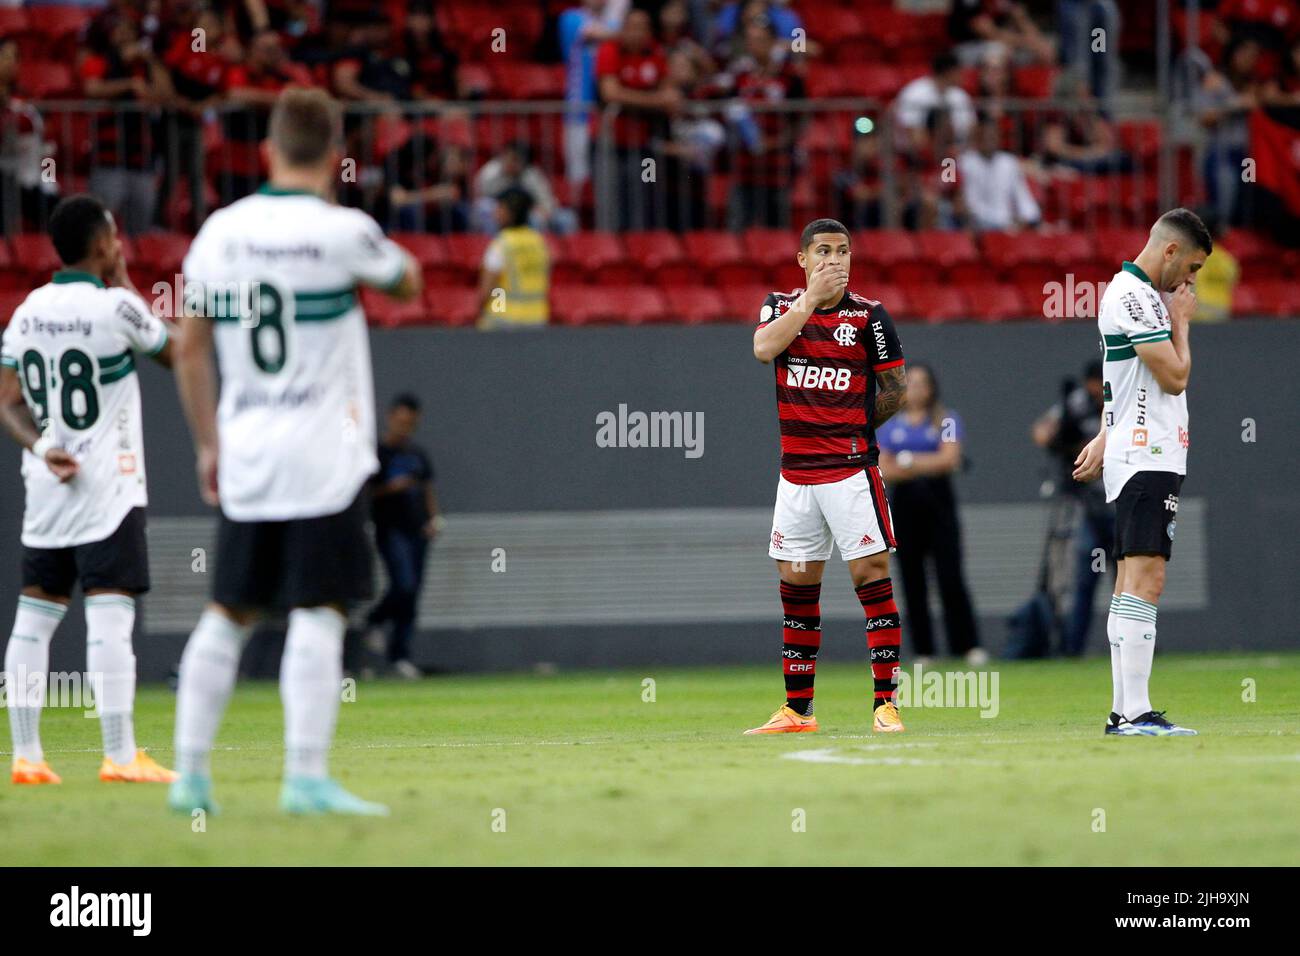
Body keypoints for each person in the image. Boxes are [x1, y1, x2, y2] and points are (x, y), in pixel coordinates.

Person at [169, 88, 422, 816]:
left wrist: (206, 446)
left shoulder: (219, 234)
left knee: (228, 611)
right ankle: (304, 779)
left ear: (268, 151)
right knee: (318, 610)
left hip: (247, 449)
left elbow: (189, 349)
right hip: (324, 456)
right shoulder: (343, 231)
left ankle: (190, 780)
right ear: (337, 157)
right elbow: (408, 281)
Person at [0, 194, 179, 785]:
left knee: (33, 618)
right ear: (103, 245)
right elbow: (177, 353)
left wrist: (38, 446)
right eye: (114, 238)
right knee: (109, 618)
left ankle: (26, 757)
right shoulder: (115, 310)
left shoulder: (26, 312)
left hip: (47, 484)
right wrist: (128, 282)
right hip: (110, 486)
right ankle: (121, 756)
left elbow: (5, 401)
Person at [747, 218, 908, 735]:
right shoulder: (779, 305)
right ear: (802, 259)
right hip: (795, 475)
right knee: (796, 584)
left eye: (842, 250)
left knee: (871, 575)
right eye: (822, 251)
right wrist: (808, 301)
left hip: (849, 471)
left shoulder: (871, 316)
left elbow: (894, 388)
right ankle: (798, 709)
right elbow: (764, 348)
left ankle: (886, 703)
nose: (833, 259)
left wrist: (854, 428)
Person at [1073, 208, 1210, 737]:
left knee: (1133, 579)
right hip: (1148, 454)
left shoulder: (1138, 296)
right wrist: (1182, 323)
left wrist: (1106, 436)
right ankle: (1134, 712)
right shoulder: (1134, 297)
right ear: (1170, 251)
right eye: (1192, 266)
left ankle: (1124, 711)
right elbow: (1174, 377)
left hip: (1141, 449)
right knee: (1146, 577)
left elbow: (1125, 383)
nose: (1191, 281)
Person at [878, 363, 985, 665]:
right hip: (905, 506)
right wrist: (924, 460)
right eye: (910, 383)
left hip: (939, 502)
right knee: (912, 577)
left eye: (922, 383)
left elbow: (949, 459)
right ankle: (924, 649)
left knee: (950, 575)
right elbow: (884, 467)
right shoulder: (890, 423)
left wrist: (908, 460)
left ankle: (967, 645)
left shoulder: (945, 419)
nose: (916, 389)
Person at [1032, 359, 1113, 655]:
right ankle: (1072, 648)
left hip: (1118, 500)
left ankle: (1134, 646)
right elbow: (1041, 433)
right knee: (1083, 579)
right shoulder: (1076, 404)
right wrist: (1068, 441)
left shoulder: (1121, 397)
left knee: (1129, 579)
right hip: (1086, 504)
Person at [363, 395, 440, 679]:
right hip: (390, 528)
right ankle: (373, 620)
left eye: (411, 423)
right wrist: (390, 489)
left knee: (413, 593)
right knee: (404, 584)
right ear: (391, 417)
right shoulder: (377, 454)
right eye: (402, 421)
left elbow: (428, 487)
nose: (405, 427)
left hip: (418, 529)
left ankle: (400, 654)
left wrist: (434, 519)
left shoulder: (417, 455)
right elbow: (365, 492)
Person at [477, 187, 550, 329]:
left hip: (505, 322)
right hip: (537, 319)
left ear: (509, 212)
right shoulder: (539, 242)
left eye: (499, 208)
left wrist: (496, 311)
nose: (495, 212)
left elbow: (491, 289)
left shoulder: (502, 244)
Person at [958, 113, 1041, 231]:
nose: (988, 141)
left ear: (999, 137)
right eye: (984, 136)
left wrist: (1026, 218)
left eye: (992, 136)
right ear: (977, 138)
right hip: (976, 225)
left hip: (1005, 226)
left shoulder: (1009, 163)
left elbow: (1024, 200)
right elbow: (959, 199)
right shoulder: (964, 162)